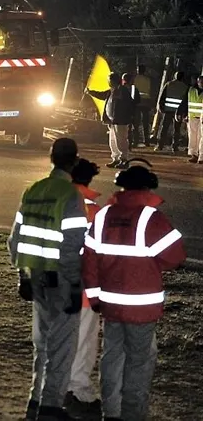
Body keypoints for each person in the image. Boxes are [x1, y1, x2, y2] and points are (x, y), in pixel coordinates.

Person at [83, 160, 186, 421]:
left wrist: (94, 297)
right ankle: (132, 414)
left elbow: (89, 262)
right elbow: (175, 257)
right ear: (147, 189)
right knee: (139, 362)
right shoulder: (151, 218)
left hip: (110, 305)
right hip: (142, 307)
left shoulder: (103, 216)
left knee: (112, 358)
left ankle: (111, 413)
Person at [7, 138, 88, 421]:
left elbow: (15, 240)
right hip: (62, 279)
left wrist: (22, 275)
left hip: (36, 278)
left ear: (51, 158)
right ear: (74, 162)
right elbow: (73, 244)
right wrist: (75, 283)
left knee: (41, 345)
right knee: (62, 346)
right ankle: (51, 407)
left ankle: (35, 401)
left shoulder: (33, 190)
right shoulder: (71, 195)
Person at [64, 159, 103, 418]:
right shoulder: (94, 212)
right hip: (84, 289)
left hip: (53, 287)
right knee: (84, 341)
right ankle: (78, 393)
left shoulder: (53, 204)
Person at [86, 72, 140, 169]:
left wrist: (128, 117)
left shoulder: (122, 90)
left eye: (109, 80)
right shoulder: (113, 90)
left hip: (120, 120)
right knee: (113, 141)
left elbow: (129, 104)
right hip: (112, 121)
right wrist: (90, 92)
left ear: (113, 80)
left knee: (121, 140)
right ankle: (116, 159)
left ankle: (123, 159)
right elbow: (102, 95)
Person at [153, 71, 187, 153]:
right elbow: (185, 101)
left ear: (175, 76)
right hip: (178, 112)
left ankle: (160, 145)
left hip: (168, 110)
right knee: (177, 129)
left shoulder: (169, 84)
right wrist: (184, 112)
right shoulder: (185, 87)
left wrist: (161, 107)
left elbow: (162, 96)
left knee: (164, 128)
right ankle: (175, 147)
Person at [175, 74, 203, 163]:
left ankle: (201, 156)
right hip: (192, 117)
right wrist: (179, 112)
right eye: (201, 82)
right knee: (192, 137)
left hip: (202, 119)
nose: (202, 84)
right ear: (197, 82)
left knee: (201, 137)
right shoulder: (191, 90)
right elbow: (184, 102)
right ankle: (194, 155)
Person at [131, 65, 153, 147]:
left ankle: (135, 141)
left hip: (136, 102)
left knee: (136, 123)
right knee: (145, 123)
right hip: (146, 102)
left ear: (138, 70)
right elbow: (150, 90)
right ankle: (146, 141)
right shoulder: (148, 79)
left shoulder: (134, 79)